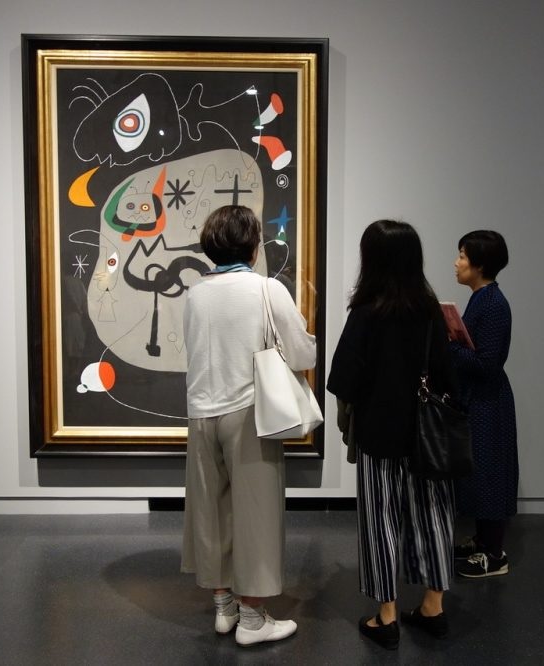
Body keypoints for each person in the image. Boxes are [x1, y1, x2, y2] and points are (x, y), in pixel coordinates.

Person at [180, 205, 317, 646]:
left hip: (201, 412)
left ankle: (224, 607)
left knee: (211, 511)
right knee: (256, 515)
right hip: (248, 412)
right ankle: (253, 619)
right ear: (254, 246)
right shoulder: (266, 289)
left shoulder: (196, 294)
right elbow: (303, 354)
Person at [327, 219, 457, 650]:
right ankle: (433, 607)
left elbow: (343, 378)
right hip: (427, 434)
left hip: (379, 430)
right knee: (434, 515)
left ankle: (386, 616)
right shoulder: (430, 309)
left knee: (380, 519)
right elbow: (447, 374)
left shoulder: (368, 311)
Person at [449, 230, 519, 578]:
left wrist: (449, 345)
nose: (456, 263)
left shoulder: (492, 304)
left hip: (488, 402)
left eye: (462, 256)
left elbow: (486, 364)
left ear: (479, 264)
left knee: (489, 473)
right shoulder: (482, 299)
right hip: (480, 399)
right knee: (479, 472)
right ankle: (482, 541)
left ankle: (494, 554)